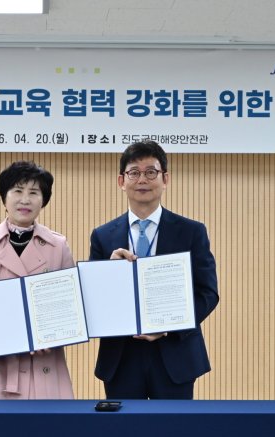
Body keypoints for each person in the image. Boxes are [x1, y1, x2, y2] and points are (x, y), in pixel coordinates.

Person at [89, 140, 219, 399]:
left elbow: (207, 293)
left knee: (174, 425)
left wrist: (169, 325)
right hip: (121, 357)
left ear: (165, 179)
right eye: (134, 172)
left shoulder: (192, 231)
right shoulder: (103, 236)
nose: (142, 180)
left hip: (175, 354)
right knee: (124, 426)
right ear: (121, 181)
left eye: (151, 172)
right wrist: (108, 272)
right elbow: (93, 299)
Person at [0, 161, 75, 399]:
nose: (25, 200)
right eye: (17, 191)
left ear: (43, 200)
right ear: (4, 198)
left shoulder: (58, 245)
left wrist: (55, 335)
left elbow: (70, 304)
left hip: (43, 364)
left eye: (34, 193)